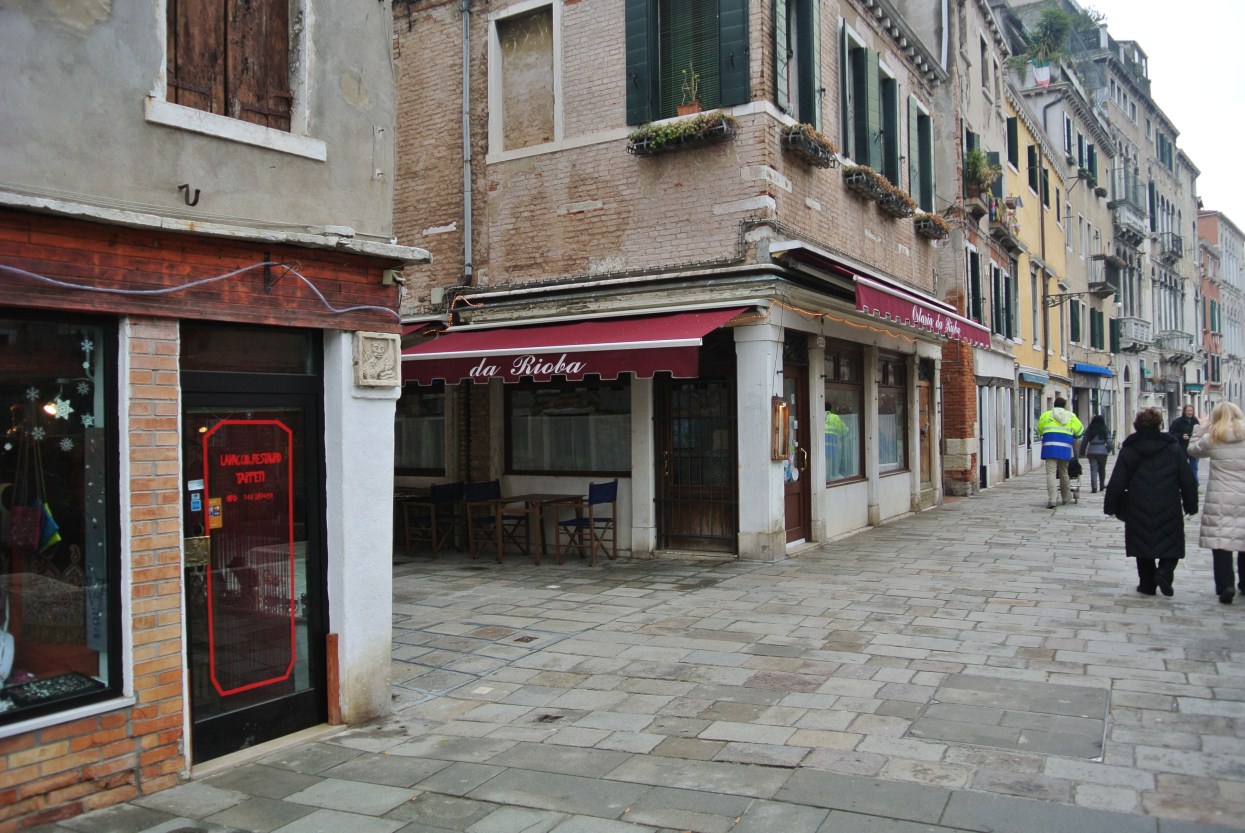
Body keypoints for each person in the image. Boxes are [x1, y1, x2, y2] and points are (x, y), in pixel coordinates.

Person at [1103, 408, 1198, 597]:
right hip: (1168, 503)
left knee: (1142, 543)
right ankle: (1164, 572)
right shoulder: (1172, 447)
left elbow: (1117, 480)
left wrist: (1111, 506)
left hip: (1138, 504)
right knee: (1171, 542)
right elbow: (1187, 478)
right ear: (1159, 425)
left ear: (1137, 425)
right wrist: (1191, 505)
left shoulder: (1130, 448)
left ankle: (1147, 584)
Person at [1185, 402, 1245, 604]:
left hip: (1221, 497)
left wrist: (1199, 429)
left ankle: (1225, 585)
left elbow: (1192, 450)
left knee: (1221, 542)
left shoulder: (1212, 438)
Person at [1037, 396, 1084, 508]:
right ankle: (1066, 498)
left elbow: (1039, 430)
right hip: (1064, 449)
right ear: (1064, 406)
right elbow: (1080, 431)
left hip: (1050, 448)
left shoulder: (1046, 415)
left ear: (1054, 405)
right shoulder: (1071, 416)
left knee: (1051, 473)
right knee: (1064, 472)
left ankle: (1052, 500)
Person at [1079, 414, 1111, 493]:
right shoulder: (1105, 429)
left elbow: (1084, 441)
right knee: (1102, 469)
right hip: (1103, 452)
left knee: (1093, 469)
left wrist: (1082, 452)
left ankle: (1094, 487)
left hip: (1091, 451)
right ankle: (1102, 485)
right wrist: (1107, 450)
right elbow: (1109, 442)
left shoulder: (1090, 429)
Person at [1170, 404, 1201, 479]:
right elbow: (1171, 433)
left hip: (1194, 447)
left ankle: (1195, 483)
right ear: (1184, 411)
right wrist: (1181, 436)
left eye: (1191, 411)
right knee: (1181, 467)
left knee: (1194, 468)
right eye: (1188, 411)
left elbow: (1199, 433)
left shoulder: (1195, 421)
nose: (1190, 412)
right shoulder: (1177, 422)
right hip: (1182, 448)